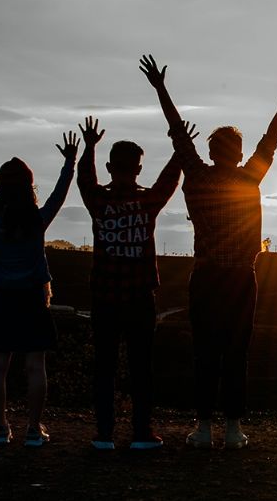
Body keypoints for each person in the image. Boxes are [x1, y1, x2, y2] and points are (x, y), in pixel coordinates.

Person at [142, 54, 277, 449]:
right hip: (240, 279)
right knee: (237, 353)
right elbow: (273, 135)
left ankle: (203, 427)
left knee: (205, 351)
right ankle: (234, 427)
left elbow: (176, 132)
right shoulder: (249, 177)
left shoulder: (198, 176)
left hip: (205, 276)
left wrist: (160, 89)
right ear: (237, 153)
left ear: (212, 149)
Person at [76, 114, 181, 451]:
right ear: (138, 168)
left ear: (110, 167)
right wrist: (179, 150)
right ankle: (141, 432)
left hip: (104, 296)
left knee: (104, 367)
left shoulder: (98, 201)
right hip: (139, 297)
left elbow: (84, 179)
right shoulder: (147, 202)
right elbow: (169, 182)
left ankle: (104, 433)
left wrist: (89, 147)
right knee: (141, 367)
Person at [0, 129, 78, 447]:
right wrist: (69, 163)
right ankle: (34, 429)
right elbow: (59, 194)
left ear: (2, 186)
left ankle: (0, 429)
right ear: (29, 186)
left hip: (3, 298)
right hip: (33, 298)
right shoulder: (37, 219)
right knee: (35, 366)